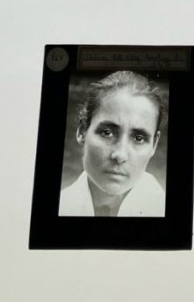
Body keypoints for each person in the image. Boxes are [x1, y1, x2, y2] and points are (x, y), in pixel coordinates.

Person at [59, 70, 166, 217]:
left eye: (138, 138)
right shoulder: (60, 207)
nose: (120, 155)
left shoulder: (162, 210)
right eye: (107, 132)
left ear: (154, 144)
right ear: (82, 130)